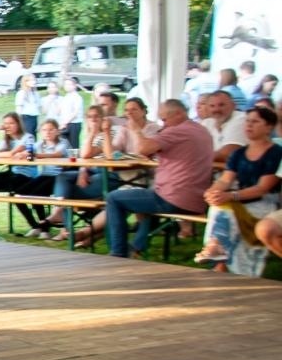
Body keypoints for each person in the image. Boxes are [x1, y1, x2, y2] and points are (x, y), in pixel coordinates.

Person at [102, 99, 214, 258]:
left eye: (165, 120)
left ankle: (118, 252)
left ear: (179, 114)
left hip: (173, 197)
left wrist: (136, 131)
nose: (164, 125)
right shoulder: (201, 131)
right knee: (145, 198)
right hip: (196, 199)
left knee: (114, 198)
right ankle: (135, 248)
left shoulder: (177, 131)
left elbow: (142, 148)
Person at [193, 105, 281, 275]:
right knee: (219, 204)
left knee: (226, 209)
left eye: (255, 122)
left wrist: (230, 195)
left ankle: (217, 250)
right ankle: (217, 253)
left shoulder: (275, 153)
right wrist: (213, 192)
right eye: (247, 121)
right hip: (240, 199)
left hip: (263, 203)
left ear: (268, 127)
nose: (249, 125)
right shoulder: (239, 153)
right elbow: (226, 180)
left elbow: (263, 188)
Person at [0, 114, 44, 234]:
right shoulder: (7, 141)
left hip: (27, 174)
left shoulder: (28, 138)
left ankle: (36, 226)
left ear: (18, 124)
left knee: (15, 192)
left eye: (11, 123)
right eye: (5, 124)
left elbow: (13, 153)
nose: (8, 126)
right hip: (13, 172)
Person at [200, 90, 246, 171]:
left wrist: (197, 158)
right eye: (212, 106)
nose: (216, 109)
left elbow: (228, 154)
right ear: (207, 109)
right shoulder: (207, 123)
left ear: (233, 106)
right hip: (213, 172)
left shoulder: (241, 119)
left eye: (221, 105)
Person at [56, 77, 84, 149]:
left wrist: (65, 123)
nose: (67, 86)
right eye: (66, 84)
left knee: (73, 144)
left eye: (69, 84)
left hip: (74, 123)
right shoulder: (66, 97)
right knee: (64, 144)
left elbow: (75, 113)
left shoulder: (77, 97)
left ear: (74, 86)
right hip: (64, 124)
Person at [14, 73, 41, 139]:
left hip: (34, 118)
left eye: (34, 80)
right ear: (26, 82)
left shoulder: (36, 94)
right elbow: (19, 109)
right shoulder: (21, 93)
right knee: (28, 138)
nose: (33, 82)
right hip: (26, 118)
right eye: (31, 80)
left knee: (34, 138)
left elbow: (38, 108)